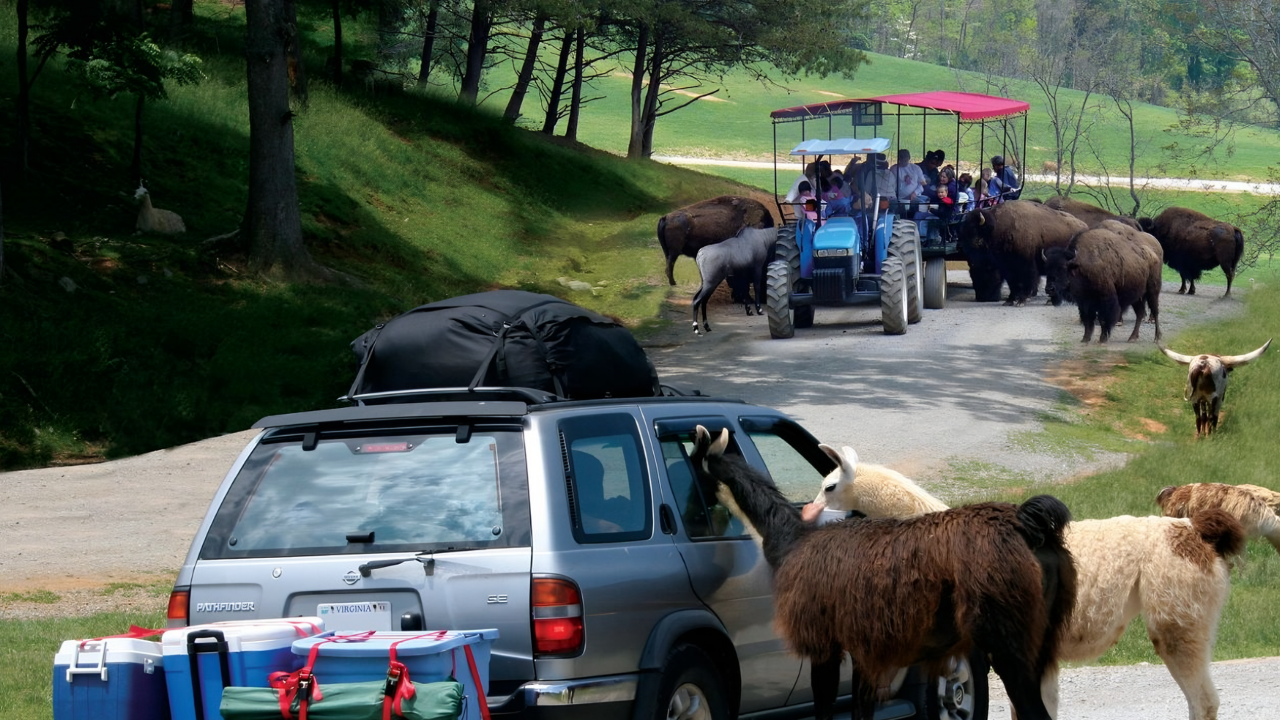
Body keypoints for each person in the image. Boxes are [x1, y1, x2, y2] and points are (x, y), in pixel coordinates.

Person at [889, 149, 927, 214]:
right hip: (899, 197)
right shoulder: (894, 169)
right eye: (901, 159)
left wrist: (915, 193)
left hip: (914, 195)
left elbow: (922, 183)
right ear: (899, 159)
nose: (903, 161)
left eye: (905, 159)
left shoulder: (915, 168)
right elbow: (890, 184)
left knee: (922, 204)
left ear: (909, 158)